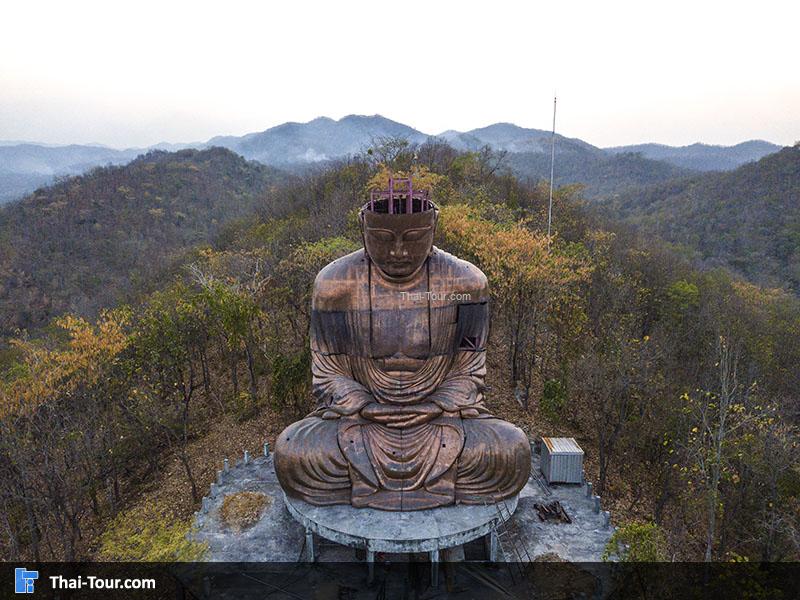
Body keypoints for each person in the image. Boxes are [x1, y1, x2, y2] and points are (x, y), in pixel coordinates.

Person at [274, 179, 530, 510]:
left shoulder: (466, 283)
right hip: (363, 418)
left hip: (438, 416)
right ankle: (423, 480)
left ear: (433, 228)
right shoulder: (335, 284)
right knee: (294, 452)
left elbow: (470, 365)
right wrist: (366, 406)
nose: (398, 252)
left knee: (512, 449)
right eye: (382, 239)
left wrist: (435, 405)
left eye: (413, 239)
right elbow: (328, 368)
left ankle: (379, 481)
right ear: (363, 229)